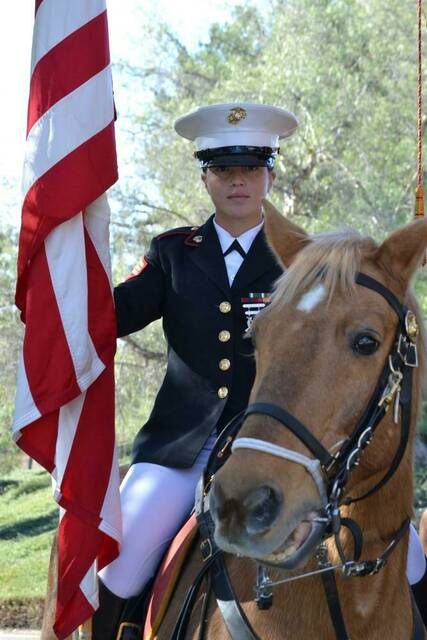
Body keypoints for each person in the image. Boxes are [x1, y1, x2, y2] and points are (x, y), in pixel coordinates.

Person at [93, 102, 298, 639]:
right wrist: (60, 295)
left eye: (250, 168)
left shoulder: (302, 261)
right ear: (205, 176)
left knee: (404, 553)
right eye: (224, 170)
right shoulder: (173, 254)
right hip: (180, 450)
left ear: (270, 175)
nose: (238, 182)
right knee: (118, 560)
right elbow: (108, 317)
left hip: (280, 446)